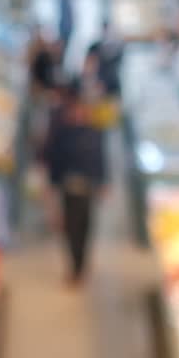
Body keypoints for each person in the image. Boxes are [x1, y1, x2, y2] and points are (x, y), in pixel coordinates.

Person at [42, 81, 109, 286]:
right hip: (68, 189)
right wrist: (50, 190)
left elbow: (100, 159)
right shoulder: (61, 135)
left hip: (87, 188)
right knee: (70, 228)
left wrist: (104, 182)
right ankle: (74, 266)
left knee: (86, 226)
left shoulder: (93, 133)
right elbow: (54, 163)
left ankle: (82, 263)